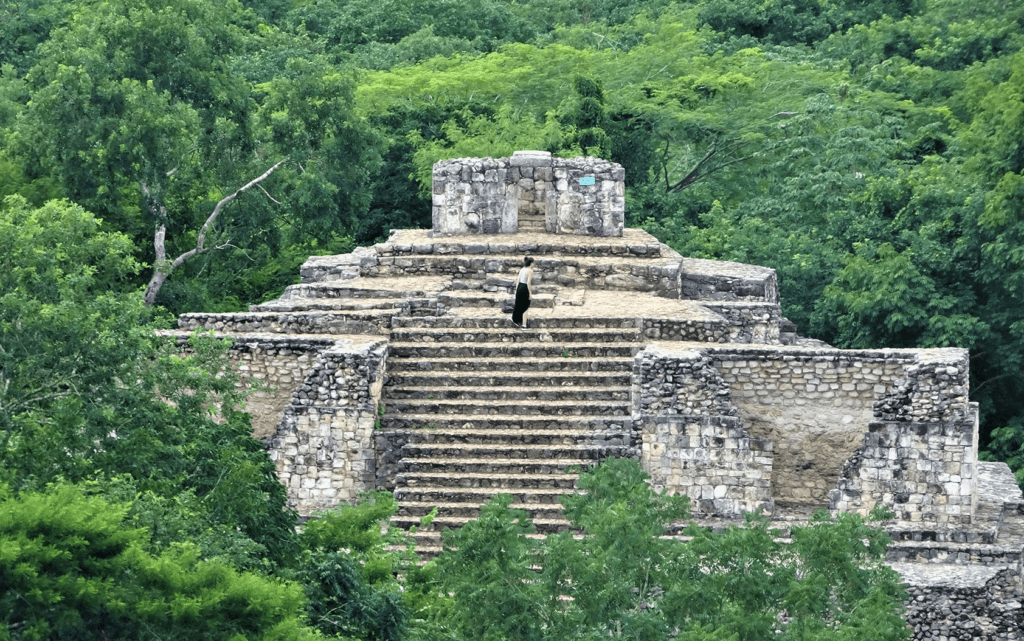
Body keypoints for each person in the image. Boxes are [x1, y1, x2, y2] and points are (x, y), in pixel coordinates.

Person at [511, 256, 534, 329]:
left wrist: (516, 290)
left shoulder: (522, 269)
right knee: (525, 306)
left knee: (519, 304)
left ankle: (516, 320)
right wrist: (530, 293)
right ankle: (524, 325)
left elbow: (518, 280)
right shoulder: (530, 271)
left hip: (520, 287)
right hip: (525, 288)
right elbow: (528, 283)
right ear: (531, 263)